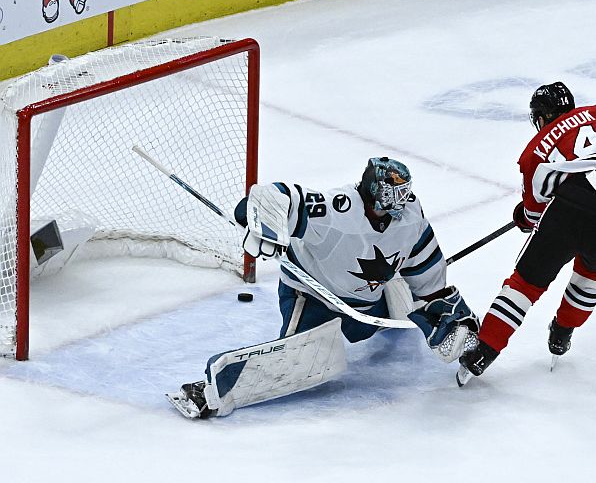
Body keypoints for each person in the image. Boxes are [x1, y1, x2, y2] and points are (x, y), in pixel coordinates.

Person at [170, 157, 479, 418]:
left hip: (367, 309)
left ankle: (405, 306)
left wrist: (440, 304)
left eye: (404, 192)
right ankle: (211, 392)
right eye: (392, 193)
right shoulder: (338, 210)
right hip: (313, 297)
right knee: (300, 363)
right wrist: (265, 223)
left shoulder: (409, 215)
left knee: (422, 305)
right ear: (374, 190)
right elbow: (276, 196)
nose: (401, 201)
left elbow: (422, 261)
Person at [458, 82, 596, 382]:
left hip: (572, 207)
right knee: (593, 273)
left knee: (526, 283)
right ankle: (562, 334)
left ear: (542, 116)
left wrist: (522, 216)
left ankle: (484, 351)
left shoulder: (535, 150)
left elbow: (535, 213)